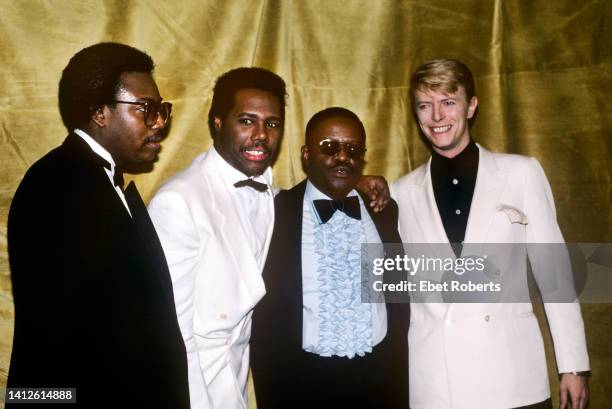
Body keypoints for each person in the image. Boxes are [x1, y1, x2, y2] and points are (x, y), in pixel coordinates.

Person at [148, 69, 390, 409]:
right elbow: (172, 334)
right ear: (217, 122)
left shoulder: (273, 198)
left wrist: (356, 183)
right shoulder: (179, 201)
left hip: (363, 382)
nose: (261, 135)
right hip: (210, 386)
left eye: (272, 124)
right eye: (247, 120)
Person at [390, 58, 590, 409]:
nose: (437, 117)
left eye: (448, 102)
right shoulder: (400, 193)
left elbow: (555, 274)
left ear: (471, 105)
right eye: (425, 105)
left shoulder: (521, 174)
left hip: (511, 380)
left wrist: (573, 365)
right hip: (436, 384)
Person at [6, 42, 189, 408]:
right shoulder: (56, 185)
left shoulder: (93, 181)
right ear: (100, 112)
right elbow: (49, 338)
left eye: (162, 109)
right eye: (146, 110)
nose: (160, 122)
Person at [250, 107, 409, 409]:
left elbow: (399, 297)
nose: (342, 157)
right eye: (329, 147)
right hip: (302, 386)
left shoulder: (384, 211)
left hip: (381, 381)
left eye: (352, 149)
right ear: (306, 154)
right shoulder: (272, 213)